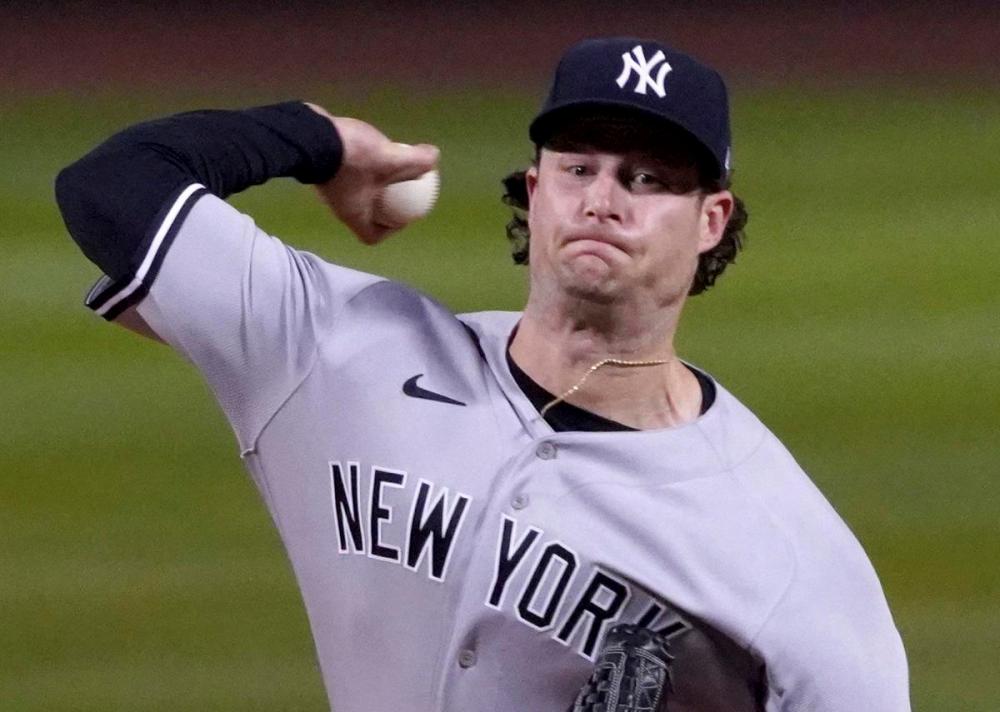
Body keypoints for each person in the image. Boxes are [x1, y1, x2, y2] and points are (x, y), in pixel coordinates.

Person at [56, 36, 910, 711]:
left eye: (649, 177)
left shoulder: (785, 551)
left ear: (710, 221)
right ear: (535, 191)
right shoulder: (337, 354)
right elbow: (111, 187)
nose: (603, 198)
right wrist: (318, 139)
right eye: (579, 167)